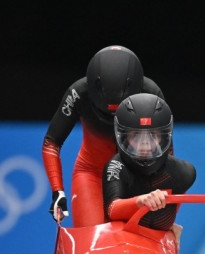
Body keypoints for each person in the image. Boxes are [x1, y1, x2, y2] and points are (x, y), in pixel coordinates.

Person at [42, 45, 164, 227]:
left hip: (136, 178)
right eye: (105, 113)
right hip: (92, 175)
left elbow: (166, 153)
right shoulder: (78, 93)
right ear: (91, 89)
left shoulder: (151, 94)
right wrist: (57, 191)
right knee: (91, 243)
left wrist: (162, 198)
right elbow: (51, 143)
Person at [102, 93, 195, 244]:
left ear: (164, 138)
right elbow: (112, 209)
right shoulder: (116, 166)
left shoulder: (184, 173)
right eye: (135, 136)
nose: (144, 144)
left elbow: (171, 207)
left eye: (153, 136)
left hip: (155, 251)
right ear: (123, 138)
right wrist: (141, 201)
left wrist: (166, 226)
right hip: (119, 246)